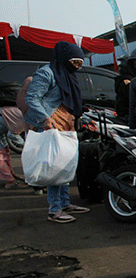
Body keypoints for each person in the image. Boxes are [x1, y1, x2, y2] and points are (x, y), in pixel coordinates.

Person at [24, 41, 91, 223]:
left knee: (65, 165)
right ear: (64, 58)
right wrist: (45, 118)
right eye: (75, 62)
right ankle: (54, 210)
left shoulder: (67, 75)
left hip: (66, 124)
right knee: (54, 166)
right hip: (51, 124)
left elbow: (71, 103)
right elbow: (32, 98)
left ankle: (65, 203)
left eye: (80, 63)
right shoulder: (47, 73)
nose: (77, 67)